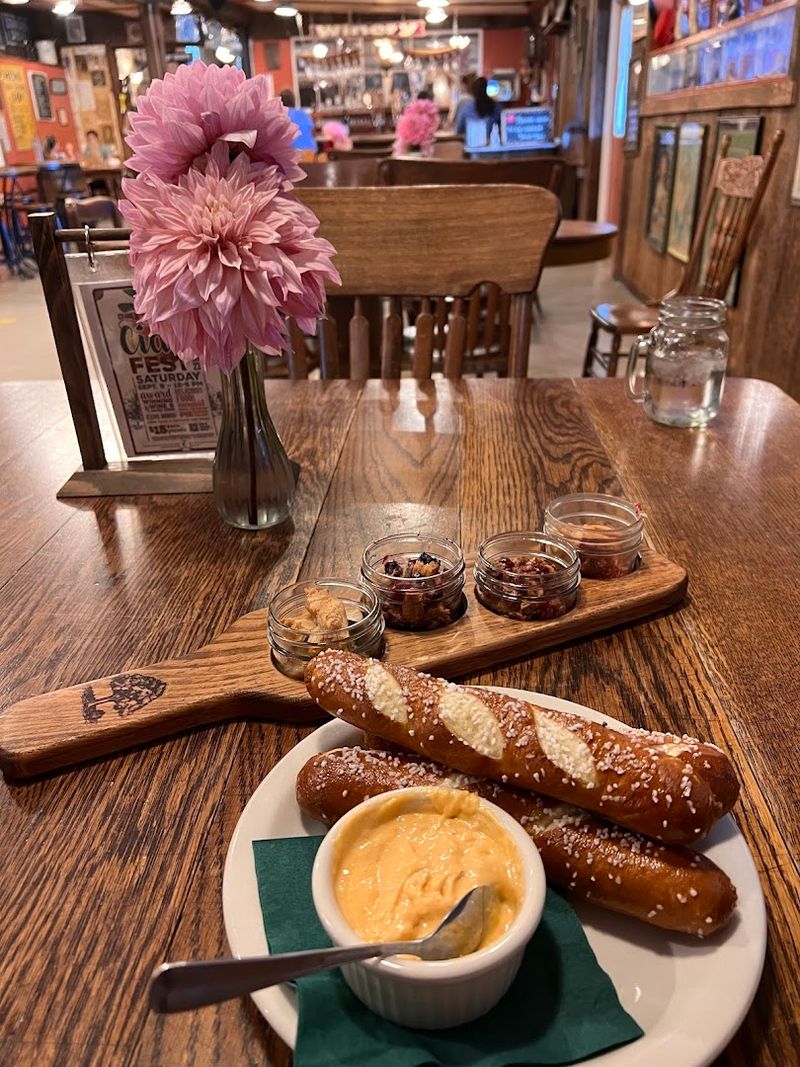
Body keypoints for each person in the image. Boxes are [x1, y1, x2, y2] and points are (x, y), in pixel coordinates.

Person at [279, 89, 317, 154]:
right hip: (310, 153)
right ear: (294, 101)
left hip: (292, 155)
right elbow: (313, 133)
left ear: (280, 102)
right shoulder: (304, 114)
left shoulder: (280, 116)